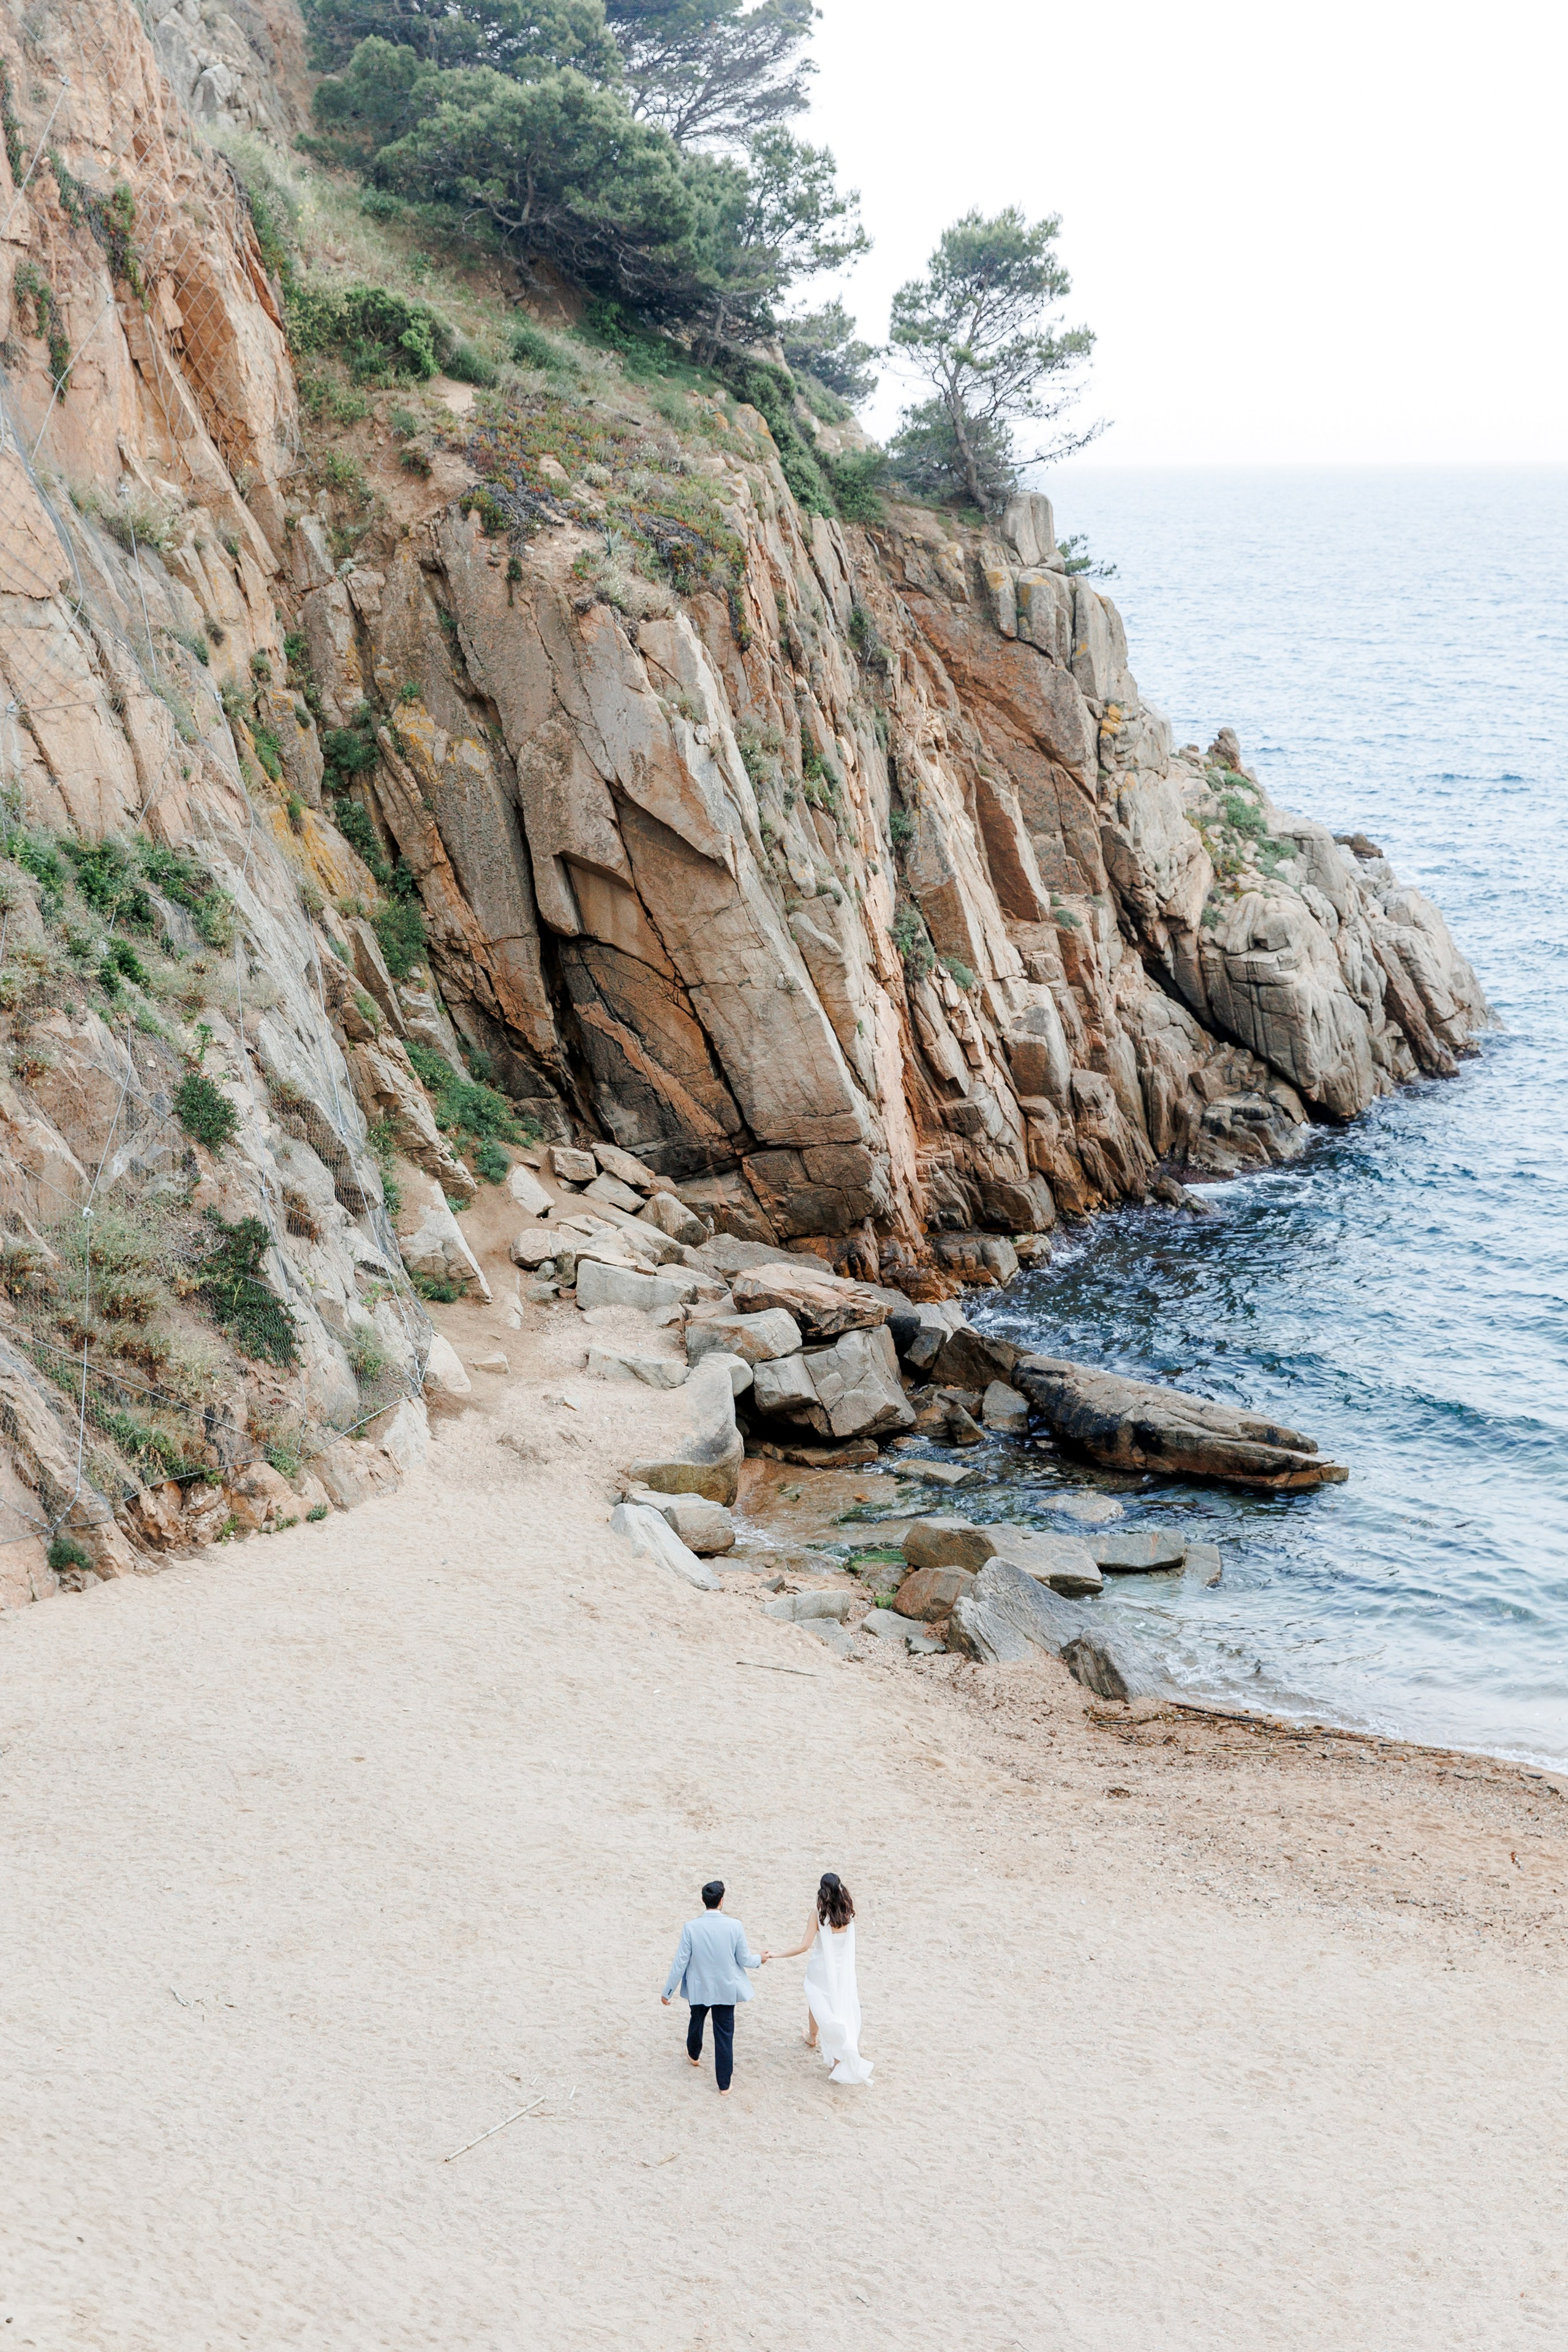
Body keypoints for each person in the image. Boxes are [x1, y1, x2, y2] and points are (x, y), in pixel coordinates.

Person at [762, 1872, 873, 2085]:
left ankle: (813, 2037)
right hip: (843, 1972)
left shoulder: (818, 1914)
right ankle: (828, 2046)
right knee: (838, 2005)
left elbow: (804, 1946)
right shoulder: (848, 1912)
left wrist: (776, 1954)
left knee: (816, 2003)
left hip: (820, 1970)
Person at [661, 1879, 761, 2096]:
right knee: (724, 2034)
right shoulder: (735, 1926)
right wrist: (761, 1959)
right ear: (722, 1901)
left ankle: (694, 2054)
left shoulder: (691, 1927)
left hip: (700, 1987)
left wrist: (668, 1991)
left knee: (696, 2020)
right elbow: (744, 1959)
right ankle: (724, 2084)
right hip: (726, 1988)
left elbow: (680, 1962)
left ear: (703, 1900)